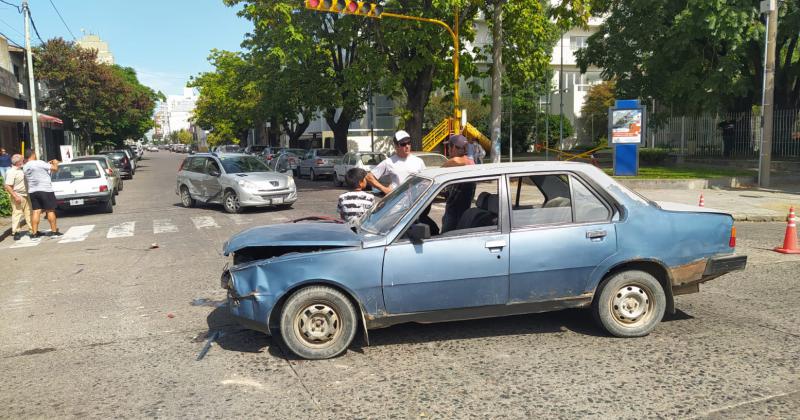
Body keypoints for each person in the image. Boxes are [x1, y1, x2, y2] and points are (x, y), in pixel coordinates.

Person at [366, 130, 426, 195]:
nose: (407, 146)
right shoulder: (389, 162)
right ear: (396, 146)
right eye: (403, 144)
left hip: (415, 201)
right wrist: (384, 189)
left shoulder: (418, 161)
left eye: (409, 143)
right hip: (397, 202)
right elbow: (369, 177)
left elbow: (426, 181)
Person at [22, 150, 62, 238]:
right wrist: (55, 163)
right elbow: (54, 169)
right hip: (45, 190)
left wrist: (47, 164)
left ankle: (34, 233)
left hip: (33, 191)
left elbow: (38, 170)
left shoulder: (25, 167)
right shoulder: (39, 162)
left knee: (36, 211)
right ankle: (54, 231)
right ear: (33, 155)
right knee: (50, 210)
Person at [441, 134, 476, 232]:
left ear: (454, 148)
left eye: (449, 146)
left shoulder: (453, 162)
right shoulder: (471, 163)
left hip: (453, 214)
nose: (448, 149)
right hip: (465, 212)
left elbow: (437, 175)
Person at [3, 154, 32, 240]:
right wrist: (15, 196)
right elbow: (8, 186)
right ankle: (16, 231)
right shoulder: (12, 171)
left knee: (29, 213)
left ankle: (32, 229)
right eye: (22, 160)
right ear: (18, 162)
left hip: (26, 194)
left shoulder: (22, 169)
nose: (24, 161)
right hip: (18, 195)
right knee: (17, 213)